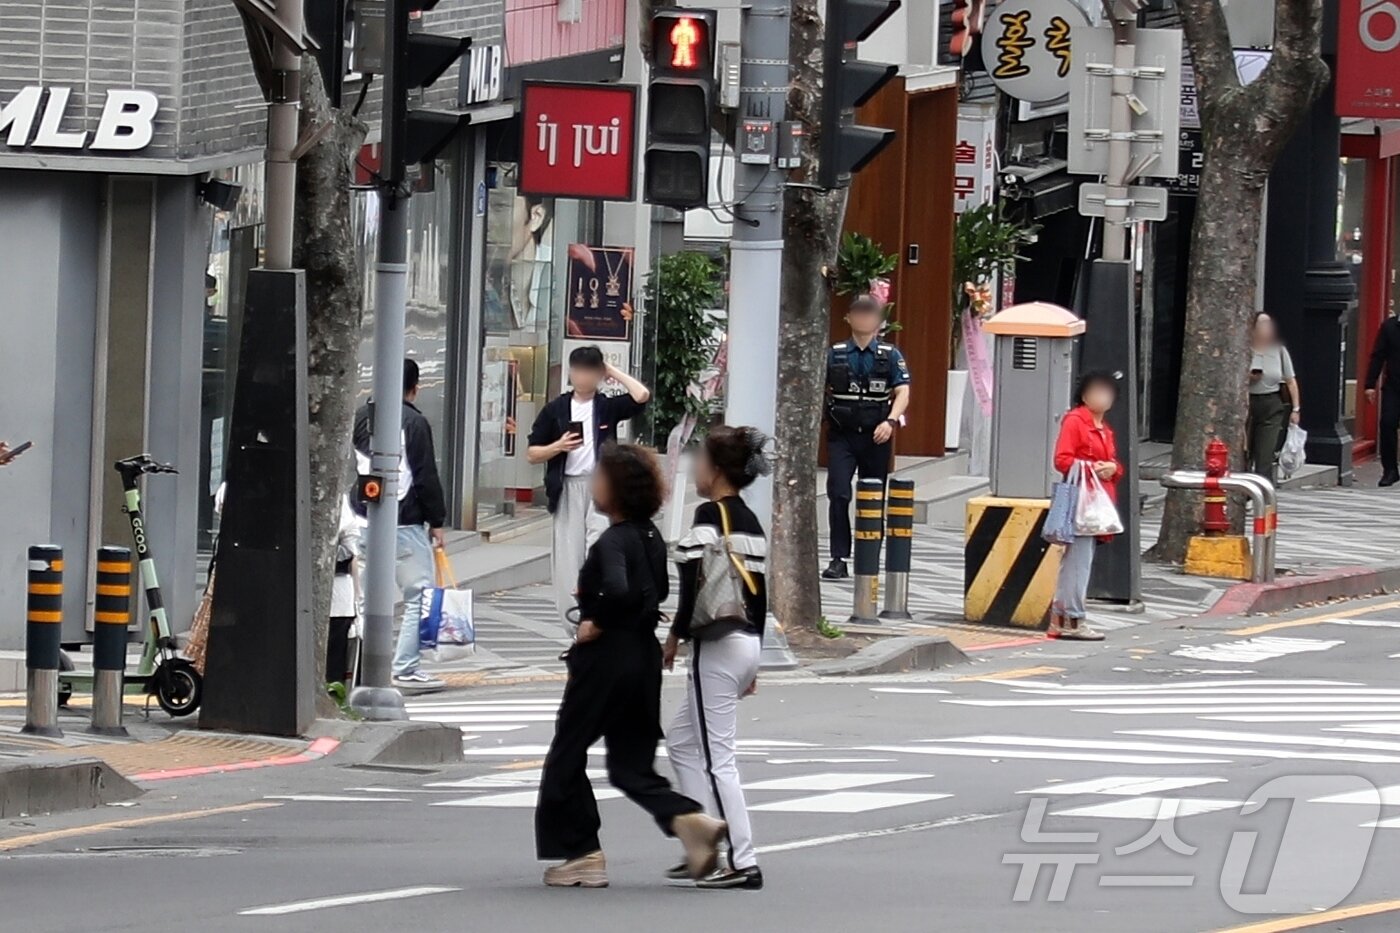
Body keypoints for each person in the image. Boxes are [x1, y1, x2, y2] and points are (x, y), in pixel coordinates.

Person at [534, 444, 726, 888]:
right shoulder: (651, 536)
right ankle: (688, 820)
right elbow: (656, 590)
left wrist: (595, 620)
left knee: (566, 753)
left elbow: (618, 590)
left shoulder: (613, 540)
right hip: (643, 658)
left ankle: (582, 852)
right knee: (630, 765)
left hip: (607, 660)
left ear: (615, 487)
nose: (594, 485)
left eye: (599, 477)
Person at [664, 426, 770, 890]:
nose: (696, 469)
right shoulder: (751, 519)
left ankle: (742, 860)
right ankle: (703, 843)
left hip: (717, 646)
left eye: (701, 461)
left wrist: (674, 636)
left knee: (716, 758)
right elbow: (760, 595)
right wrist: (756, 658)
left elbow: (692, 588)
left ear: (719, 470)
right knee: (682, 742)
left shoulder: (709, 515)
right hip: (745, 642)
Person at [527, 346, 651, 635]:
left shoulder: (606, 406)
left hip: (601, 488)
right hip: (567, 488)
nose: (582, 377)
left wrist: (612, 371)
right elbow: (532, 453)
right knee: (568, 560)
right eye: (578, 371)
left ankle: (599, 619)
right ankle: (573, 628)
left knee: (601, 552)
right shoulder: (555, 409)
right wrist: (558, 446)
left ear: (598, 374)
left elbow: (641, 395)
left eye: (589, 371)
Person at [353, 358, 448, 694]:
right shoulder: (413, 422)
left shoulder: (361, 416)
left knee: (365, 600)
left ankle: (360, 666)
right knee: (418, 596)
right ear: (414, 389)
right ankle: (405, 668)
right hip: (404, 521)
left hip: (364, 518)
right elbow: (425, 475)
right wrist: (437, 520)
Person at [822, 294, 911, 579]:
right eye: (858, 313)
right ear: (848, 318)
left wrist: (890, 421)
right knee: (839, 493)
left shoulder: (890, 354)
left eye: (869, 313)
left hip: (876, 436)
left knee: (873, 495)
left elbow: (903, 391)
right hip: (842, 435)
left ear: (879, 320)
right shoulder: (834, 353)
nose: (864, 318)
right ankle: (838, 557)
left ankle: (869, 556)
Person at [1049, 371, 1123, 642]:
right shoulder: (1076, 421)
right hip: (1082, 501)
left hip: (1096, 504)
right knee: (1078, 562)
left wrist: (1113, 468)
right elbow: (1062, 460)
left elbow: (1114, 465)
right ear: (1084, 395)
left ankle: (1064, 617)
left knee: (1079, 560)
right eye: (1097, 391)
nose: (1103, 397)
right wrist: (1095, 468)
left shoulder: (1105, 428)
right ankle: (1071, 618)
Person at [1247, 312, 1301, 478]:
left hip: (1271, 403)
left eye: (1269, 324)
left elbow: (1290, 380)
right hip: (1247, 403)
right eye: (1263, 324)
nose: (1268, 328)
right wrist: (1248, 377)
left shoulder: (1278, 350)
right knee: (1244, 451)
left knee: (1265, 452)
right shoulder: (1244, 350)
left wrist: (1296, 409)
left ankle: (1264, 487)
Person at [326, 496, 361, 687]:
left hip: (337, 599)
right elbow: (351, 550)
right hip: (339, 597)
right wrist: (357, 599)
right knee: (334, 662)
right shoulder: (336, 499)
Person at [1365, 312, 1400, 487]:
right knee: (1387, 423)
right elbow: (1378, 355)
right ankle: (1390, 470)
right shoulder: (1389, 327)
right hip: (1394, 386)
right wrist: (1369, 385)